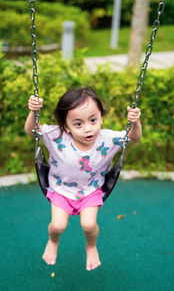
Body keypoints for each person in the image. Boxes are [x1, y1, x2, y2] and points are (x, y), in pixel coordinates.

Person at [24, 86, 142, 271]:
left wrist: (135, 123)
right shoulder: (56, 136)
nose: (88, 128)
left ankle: (91, 246)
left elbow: (134, 138)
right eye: (78, 124)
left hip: (91, 191)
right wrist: (33, 112)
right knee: (57, 226)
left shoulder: (109, 139)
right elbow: (32, 130)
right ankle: (53, 241)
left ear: (101, 118)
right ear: (66, 126)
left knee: (89, 225)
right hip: (60, 190)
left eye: (93, 120)